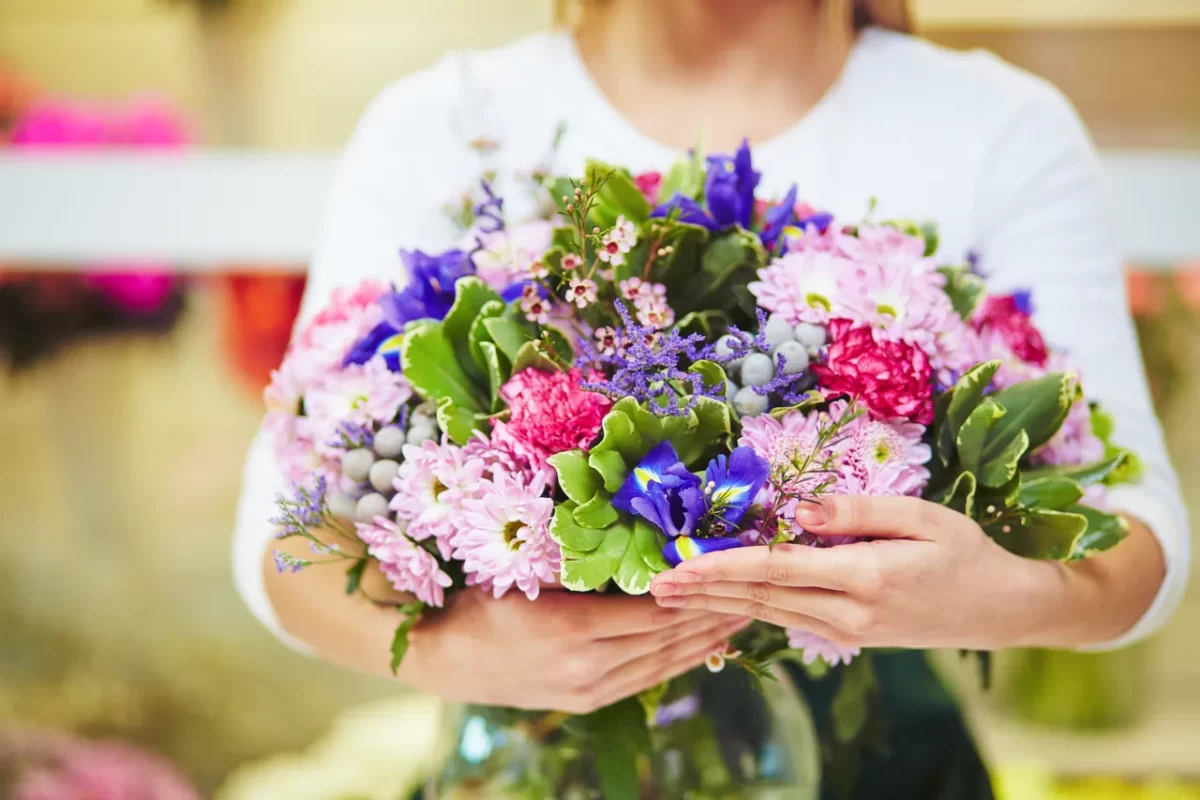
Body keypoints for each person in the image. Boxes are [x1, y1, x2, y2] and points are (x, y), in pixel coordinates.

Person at [234, 1, 1190, 797]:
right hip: (536, 739)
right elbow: (278, 542)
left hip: (880, 761)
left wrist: (997, 597)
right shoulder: (445, 118)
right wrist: (456, 654)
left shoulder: (1000, 125)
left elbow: (1139, 533)